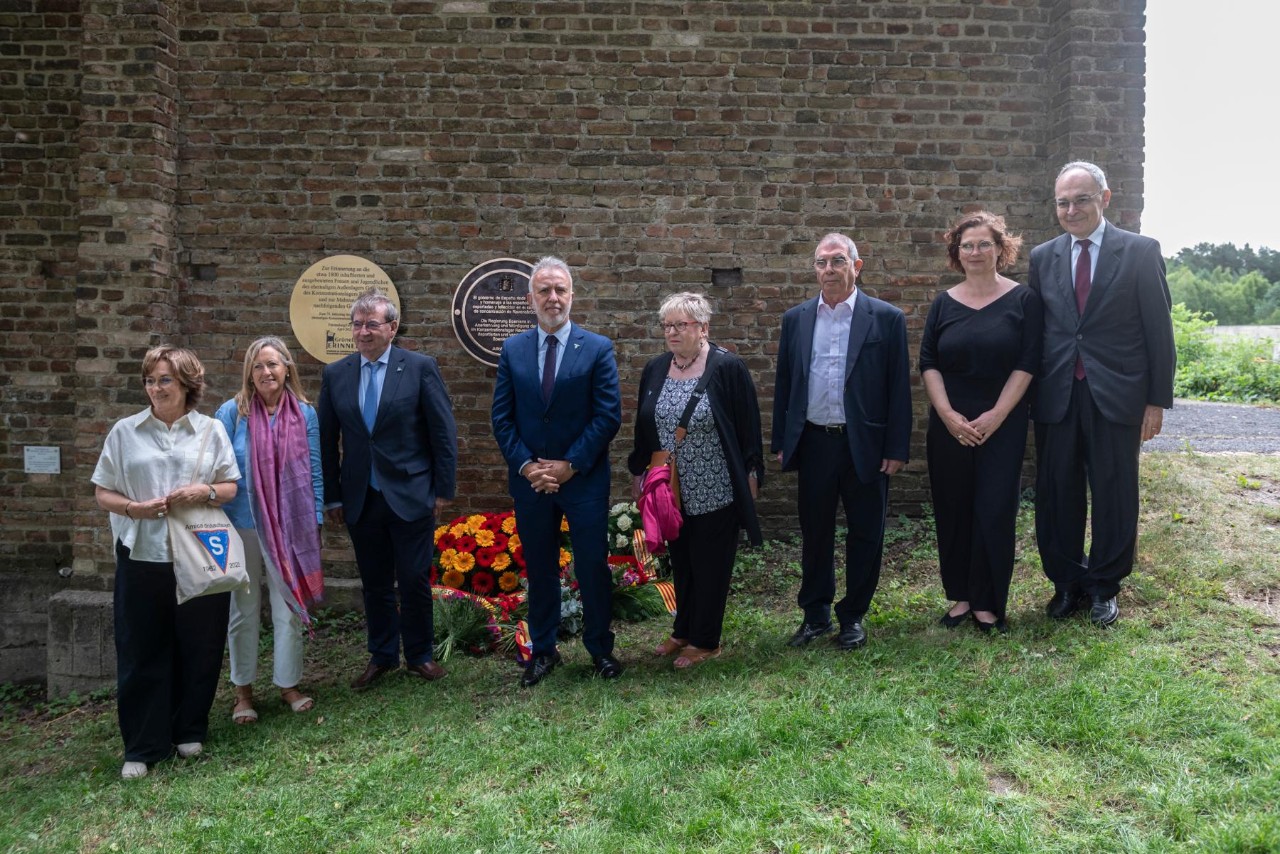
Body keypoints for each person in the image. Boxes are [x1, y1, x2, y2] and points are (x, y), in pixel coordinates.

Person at [1028, 161, 1176, 627]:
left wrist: (1156, 401)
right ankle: (1066, 582)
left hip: (1118, 394)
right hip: (1056, 395)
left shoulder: (1139, 251)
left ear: (1105, 198)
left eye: (1082, 199)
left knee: (1115, 492)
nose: (1071, 210)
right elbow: (1040, 332)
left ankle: (1105, 586)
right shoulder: (1042, 256)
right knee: (1056, 493)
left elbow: (1160, 331)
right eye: (1063, 202)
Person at [91, 346, 240, 780]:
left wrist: (204, 493)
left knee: (201, 644)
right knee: (141, 648)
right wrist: (134, 509)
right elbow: (103, 490)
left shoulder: (211, 430)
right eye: (150, 380)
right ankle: (143, 744)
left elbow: (229, 485)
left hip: (198, 553)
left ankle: (188, 727)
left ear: (187, 384)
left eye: (165, 380)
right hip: (142, 553)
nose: (155, 388)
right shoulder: (125, 431)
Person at [772, 233, 913, 651]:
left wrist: (895, 448)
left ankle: (853, 616)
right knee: (815, 532)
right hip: (815, 441)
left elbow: (898, 389)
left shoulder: (885, 318)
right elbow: (785, 383)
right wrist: (784, 438)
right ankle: (814, 614)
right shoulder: (796, 319)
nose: (829, 270)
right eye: (821, 262)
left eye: (837, 261)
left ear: (857, 265)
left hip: (864, 443)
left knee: (866, 533)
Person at [491, 256, 623, 687]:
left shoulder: (598, 347)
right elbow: (502, 419)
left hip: (582, 480)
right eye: (544, 290)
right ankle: (543, 651)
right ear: (531, 298)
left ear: (572, 295)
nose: (553, 298)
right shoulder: (513, 350)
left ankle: (601, 649)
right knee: (541, 568)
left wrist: (570, 465)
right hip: (531, 483)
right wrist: (529, 466)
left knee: (591, 566)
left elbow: (607, 416)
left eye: (560, 289)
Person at [317, 288, 458, 688]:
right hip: (360, 497)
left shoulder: (419, 367)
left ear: (392, 328)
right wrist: (333, 495)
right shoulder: (336, 373)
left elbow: (442, 433)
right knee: (374, 580)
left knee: (413, 577)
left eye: (372, 324)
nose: (363, 332)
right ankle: (381, 655)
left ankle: (419, 655)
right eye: (357, 325)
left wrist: (442, 490)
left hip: (411, 493)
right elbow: (327, 441)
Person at [920, 212, 1043, 634]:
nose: (975, 252)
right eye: (967, 245)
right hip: (950, 424)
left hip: (1001, 423)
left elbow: (1028, 363)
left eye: (984, 244)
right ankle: (962, 596)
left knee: (994, 510)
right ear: (957, 252)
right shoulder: (943, 302)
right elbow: (929, 363)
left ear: (1000, 249)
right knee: (953, 509)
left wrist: (996, 415)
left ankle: (989, 601)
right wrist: (948, 415)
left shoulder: (1023, 300)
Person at [627, 293, 765, 668]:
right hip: (670, 489)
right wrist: (639, 471)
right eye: (667, 325)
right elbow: (645, 426)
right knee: (682, 561)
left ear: (703, 328)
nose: (672, 332)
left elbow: (748, 426)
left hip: (715, 485)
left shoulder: (727, 367)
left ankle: (706, 640)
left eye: (681, 325)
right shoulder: (655, 368)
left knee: (711, 564)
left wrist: (752, 474)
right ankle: (683, 629)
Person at [215, 337, 324, 723]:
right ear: (249, 372)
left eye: (273, 365)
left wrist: (316, 521)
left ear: (287, 368)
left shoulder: (305, 414)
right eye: (258, 366)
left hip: (291, 528)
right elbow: (217, 468)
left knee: (289, 607)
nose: (266, 372)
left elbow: (313, 470)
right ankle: (242, 692)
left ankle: (288, 684)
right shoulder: (231, 413)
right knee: (243, 611)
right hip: (240, 524)